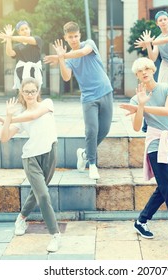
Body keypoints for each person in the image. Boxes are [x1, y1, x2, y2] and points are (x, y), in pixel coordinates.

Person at [119, 57, 168, 251]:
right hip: (155, 144)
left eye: (146, 68)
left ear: (152, 69)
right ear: (136, 76)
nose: (144, 72)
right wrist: (139, 106)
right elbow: (136, 127)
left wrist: (141, 107)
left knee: (164, 187)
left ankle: (141, 221)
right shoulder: (137, 98)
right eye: (139, 71)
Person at [0, 77, 61, 252]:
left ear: (38, 92)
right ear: (22, 93)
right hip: (31, 158)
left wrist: (11, 120)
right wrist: (9, 117)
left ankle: (21, 218)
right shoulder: (20, 117)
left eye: (33, 91)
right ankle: (55, 235)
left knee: (37, 192)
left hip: (50, 153)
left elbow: (33, 115)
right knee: (43, 195)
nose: (30, 94)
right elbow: (4, 138)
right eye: (27, 91)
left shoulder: (47, 104)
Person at [43, 21, 113, 180]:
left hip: (105, 91)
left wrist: (61, 55)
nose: (73, 39)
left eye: (75, 36)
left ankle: (84, 154)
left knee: (105, 130)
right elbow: (66, 77)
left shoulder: (89, 44)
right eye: (70, 37)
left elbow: (82, 53)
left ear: (79, 35)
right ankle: (92, 165)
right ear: (65, 38)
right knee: (91, 130)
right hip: (88, 97)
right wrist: (61, 59)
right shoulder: (68, 58)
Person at [135, 10, 168, 133]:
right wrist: (148, 45)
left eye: (165, 19)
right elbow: (153, 58)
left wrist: (149, 42)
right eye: (160, 20)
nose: (163, 22)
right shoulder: (157, 39)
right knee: (158, 93)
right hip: (165, 67)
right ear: (157, 23)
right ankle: (148, 125)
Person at [0, 20, 43, 91]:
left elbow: (25, 39)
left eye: (26, 28)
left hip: (35, 71)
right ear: (19, 33)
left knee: (35, 92)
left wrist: (10, 37)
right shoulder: (17, 46)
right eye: (22, 30)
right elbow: (10, 53)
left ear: (30, 29)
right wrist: (8, 39)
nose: (25, 31)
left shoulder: (37, 39)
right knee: (24, 93)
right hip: (22, 72)